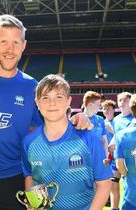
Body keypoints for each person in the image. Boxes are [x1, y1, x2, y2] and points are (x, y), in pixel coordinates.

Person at [0, 14, 92, 210]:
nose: (9, 49)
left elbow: (52, 125)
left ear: (24, 45)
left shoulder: (32, 87)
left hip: (13, 182)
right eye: (3, 42)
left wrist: (78, 118)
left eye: (15, 42)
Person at [21, 74, 112, 209]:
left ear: (69, 101)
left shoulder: (89, 139)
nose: (52, 103)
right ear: (37, 103)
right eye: (45, 97)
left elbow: (104, 184)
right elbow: (29, 176)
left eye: (59, 97)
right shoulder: (28, 142)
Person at [108, 91, 134, 210]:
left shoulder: (135, 118)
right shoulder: (116, 119)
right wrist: (112, 143)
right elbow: (116, 135)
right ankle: (114, 208)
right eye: (120, 100)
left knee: (128, 184)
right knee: (113, 183)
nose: (122, 102)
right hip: (116, 156)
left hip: (130, 157)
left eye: (125, 100)